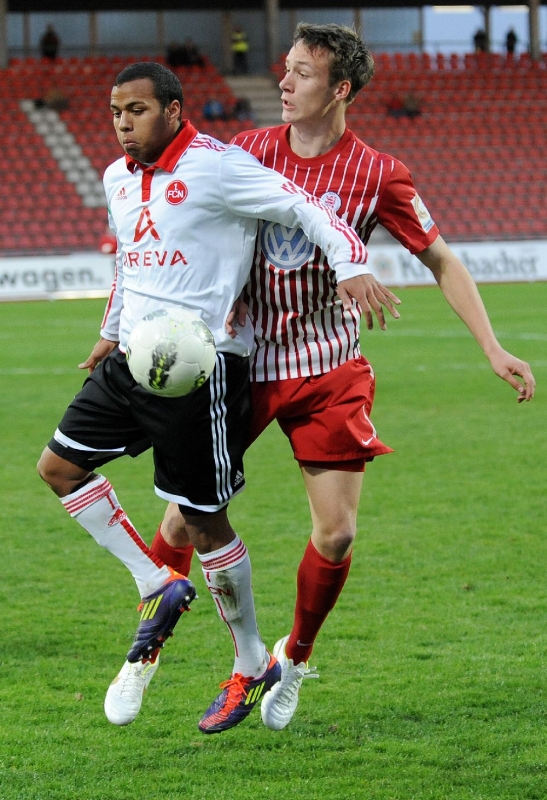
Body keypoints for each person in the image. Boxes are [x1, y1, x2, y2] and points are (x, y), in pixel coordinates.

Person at [144, 23, 536, 732]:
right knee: (181, 513)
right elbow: (192, 226)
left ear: (340, 88)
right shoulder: (247, 151)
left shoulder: (378, 173)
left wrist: (492, 346)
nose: (284, 82)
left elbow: (442, 259)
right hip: (244, 362)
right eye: (286, 69)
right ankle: (145, 648)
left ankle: (292, 659)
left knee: (336, 536)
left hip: (328, 368)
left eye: (302, 72)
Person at [37, 60, 397, 734]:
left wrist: (350, 264)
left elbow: (306, 207)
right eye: (116, 112)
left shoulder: (219, 166)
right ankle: (154, 581)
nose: (123, 124)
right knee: (58, 468)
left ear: (173, 109)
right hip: (133, 357)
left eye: (137, 110)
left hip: (199, 367)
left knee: (203, 524)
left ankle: (253, 658)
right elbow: (128, 262)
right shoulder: (117, 178)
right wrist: (109, 333)